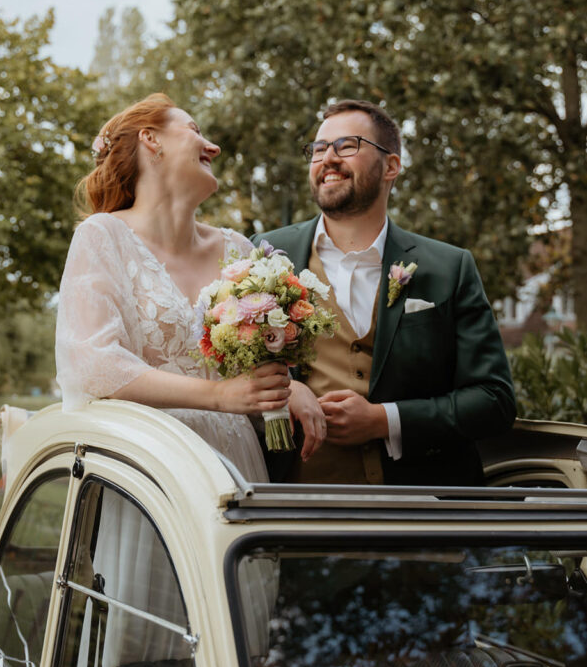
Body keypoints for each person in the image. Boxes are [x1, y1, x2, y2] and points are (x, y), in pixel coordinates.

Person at [55, 93, 322, 482]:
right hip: (151, 468)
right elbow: (95, 368)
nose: (213, 146)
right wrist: (219, 396)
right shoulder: (102, 236)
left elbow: (257, 368)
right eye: (195, 131)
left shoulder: (238, 249)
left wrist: (285, 389)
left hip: (237, 464)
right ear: (151, 140)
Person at [253, 98, 516, 486]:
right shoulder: (265, 254)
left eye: (347, 145)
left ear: (391, 166)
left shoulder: (449, 267)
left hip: (423, 514)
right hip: (294, 511)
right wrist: (284, 388)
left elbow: (494, 400)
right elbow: (229, 367)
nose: (328, 158)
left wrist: (384, 420)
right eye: (319, 148)